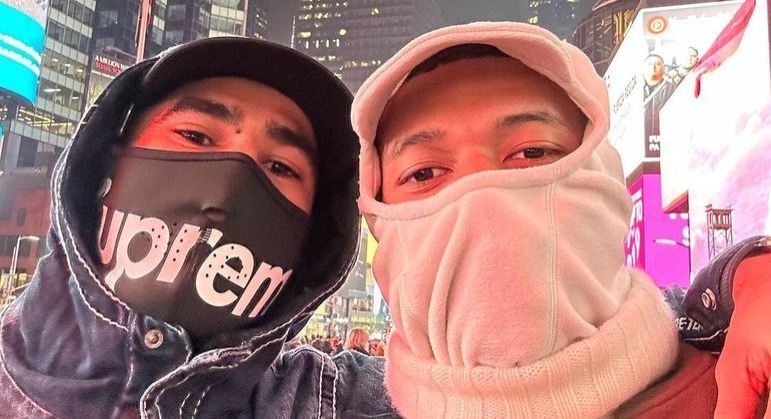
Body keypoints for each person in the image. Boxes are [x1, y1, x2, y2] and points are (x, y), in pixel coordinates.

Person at [351, 22, 770, 418]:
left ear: (606, 182)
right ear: (376, 223)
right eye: (423, 173)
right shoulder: (334, 401)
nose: (481, 189)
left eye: (532, 152)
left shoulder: (748, 383)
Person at [0, 37, 395, 418]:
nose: (228, 189)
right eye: (195, 135)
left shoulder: (326, 401)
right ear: (108, 164)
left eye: (280, 166)